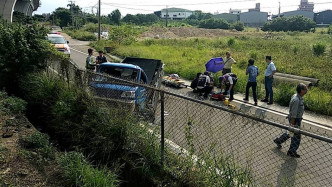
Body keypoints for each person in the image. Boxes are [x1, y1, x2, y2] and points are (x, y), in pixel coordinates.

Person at [273, 83, 308, 158]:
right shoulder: (296, 100)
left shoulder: (298, 97)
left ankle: (279, 141)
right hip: (295, 119)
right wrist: (292, 123)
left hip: (295, 119)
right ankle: (292, 151)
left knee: (290, 132)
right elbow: (294, 113)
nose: (306, 90)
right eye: (305, 88)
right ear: (301, 90)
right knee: (296, 136)